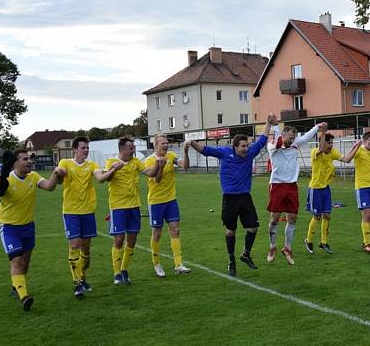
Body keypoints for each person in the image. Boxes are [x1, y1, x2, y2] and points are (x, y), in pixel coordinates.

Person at [187, 113, 276, 276]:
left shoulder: (250, 154)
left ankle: (246, 254)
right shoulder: (224, 153)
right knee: (230, 232)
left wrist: (268, 123)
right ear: (235, 147)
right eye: (242, 146)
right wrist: (191, 142)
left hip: (245, 197)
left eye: (247, 145)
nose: (246, 148)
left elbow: (262, 140)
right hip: (229, 198)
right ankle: (231, 260)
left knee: (253, 227)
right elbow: (205, 150)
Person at [0, 149, 61, 311]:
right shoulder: (6, 179)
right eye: (25, 159)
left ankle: (16, 285)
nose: (29, 161)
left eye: (30, 158)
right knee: (16, 261)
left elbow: (50, 187)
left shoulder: (33, 176)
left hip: (28, 227)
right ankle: (24, 297)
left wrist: (56, 173)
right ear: (15, 163)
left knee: (25, 264)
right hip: (9, 228)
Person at [55, 136, 113, 297]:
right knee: (74, 245)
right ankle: (77, 283)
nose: (86, 150)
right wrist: (59, 173)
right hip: (71, 212)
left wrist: (113, 170)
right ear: (74, 150)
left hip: (88, 211)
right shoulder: (65, 163)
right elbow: (59, 181)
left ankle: (83, 277)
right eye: (83, 148)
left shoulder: (92, 165)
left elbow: (100, 178)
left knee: (86, 249)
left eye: (87, 148)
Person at [103, 136, 162, 286]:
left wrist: (158, 164)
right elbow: (106, 179)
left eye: (134, 147)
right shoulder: (111, 162)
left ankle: (124, 269)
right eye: (131, 148)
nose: (134, 150)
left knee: (132, 240)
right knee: (118, 240)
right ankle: (116, 273)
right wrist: (114, 169)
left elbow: (150, 173)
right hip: (117, 207)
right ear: (122, 149)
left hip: (134, 206)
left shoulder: (136, 162)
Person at [266, 121, 325, 265]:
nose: (292, 140)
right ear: (283, 134)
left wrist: (318, 127)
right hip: (277, 185)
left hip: (292, 186)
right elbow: (279, 142)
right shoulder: (273, 145)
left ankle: (287, 248)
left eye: (293, 138)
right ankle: (272, 247)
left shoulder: (295, 143)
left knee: (292, 218)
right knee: (274, 219)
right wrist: (274, 125)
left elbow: (307, 137)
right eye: (290, 137)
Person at [304, 131, 358, 255]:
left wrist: (356, 147)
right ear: (322, 143)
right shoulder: (315, 152)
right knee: (317, 216)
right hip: (315, 189)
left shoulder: (332, 152)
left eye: (332, 143)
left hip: (325, 189)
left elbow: (347, 159)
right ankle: (309, 240)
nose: (331, 145)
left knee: (327, 215)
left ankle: (324, 242)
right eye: (329, 143)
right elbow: (320, 149)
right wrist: (322, 131)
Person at [146, 134, 191, 277]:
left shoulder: (171, 156)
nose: (166, 146)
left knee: (175, 230)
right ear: (155, 145)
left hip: (171, 200)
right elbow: (157, 180)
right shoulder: (149, 161)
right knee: (157, 233)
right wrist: (160, 166)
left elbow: (185, 166)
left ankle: (179, 264)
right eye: (163, 143)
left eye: (167, 143)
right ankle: (157, 264)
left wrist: (185, 152)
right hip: (156, 202)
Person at [353, 131, 370, 253]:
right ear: (364, 141)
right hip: (362, 187)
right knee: (367, 213)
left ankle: (366, 241)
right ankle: (368, 244)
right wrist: (355, 146)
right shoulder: (359, 150)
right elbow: (348, 158)